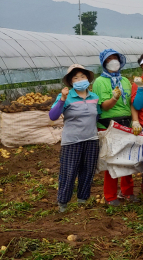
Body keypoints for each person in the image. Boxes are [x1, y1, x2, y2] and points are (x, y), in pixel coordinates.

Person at [49, 64, 100, 213]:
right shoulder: (65, 97)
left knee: (88, 170)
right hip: (72, 141)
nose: (79, 80)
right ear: (71, 82)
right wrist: (62, 99)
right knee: (69, 171)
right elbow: (53, 116)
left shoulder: (94, 97)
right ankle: (63, 203)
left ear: (88, 79)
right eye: (75, 78)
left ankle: (82, 200)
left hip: (91, 139)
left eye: (82, 77)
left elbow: (98, 115)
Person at [92, 48, 138, 206]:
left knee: (127, 159)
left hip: (126, 124)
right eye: (109, 59)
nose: (113, 62)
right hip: (109, 125)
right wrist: (113, 98)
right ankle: (110, 195)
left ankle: (127, 191)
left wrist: (134, 121)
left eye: (115, 58)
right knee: (111, 161)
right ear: (104, 63)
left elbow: (131, 103)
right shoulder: (100, 82)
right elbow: (104, 106)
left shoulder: (125, 81)